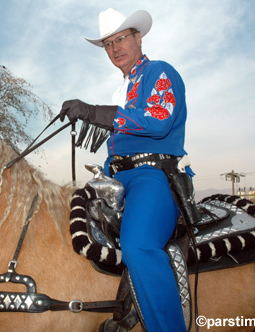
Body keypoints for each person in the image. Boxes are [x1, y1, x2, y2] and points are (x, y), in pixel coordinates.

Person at [60, 8, 192, 332]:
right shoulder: (123, 89)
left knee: (138, 244)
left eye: (121, 39)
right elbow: (119, 145)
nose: (116, 48)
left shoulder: (160, 72)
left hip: (152, 175)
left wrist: (94, 111)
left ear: (138, 38)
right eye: (108, 44)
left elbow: (158, 122)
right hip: (118, 179)